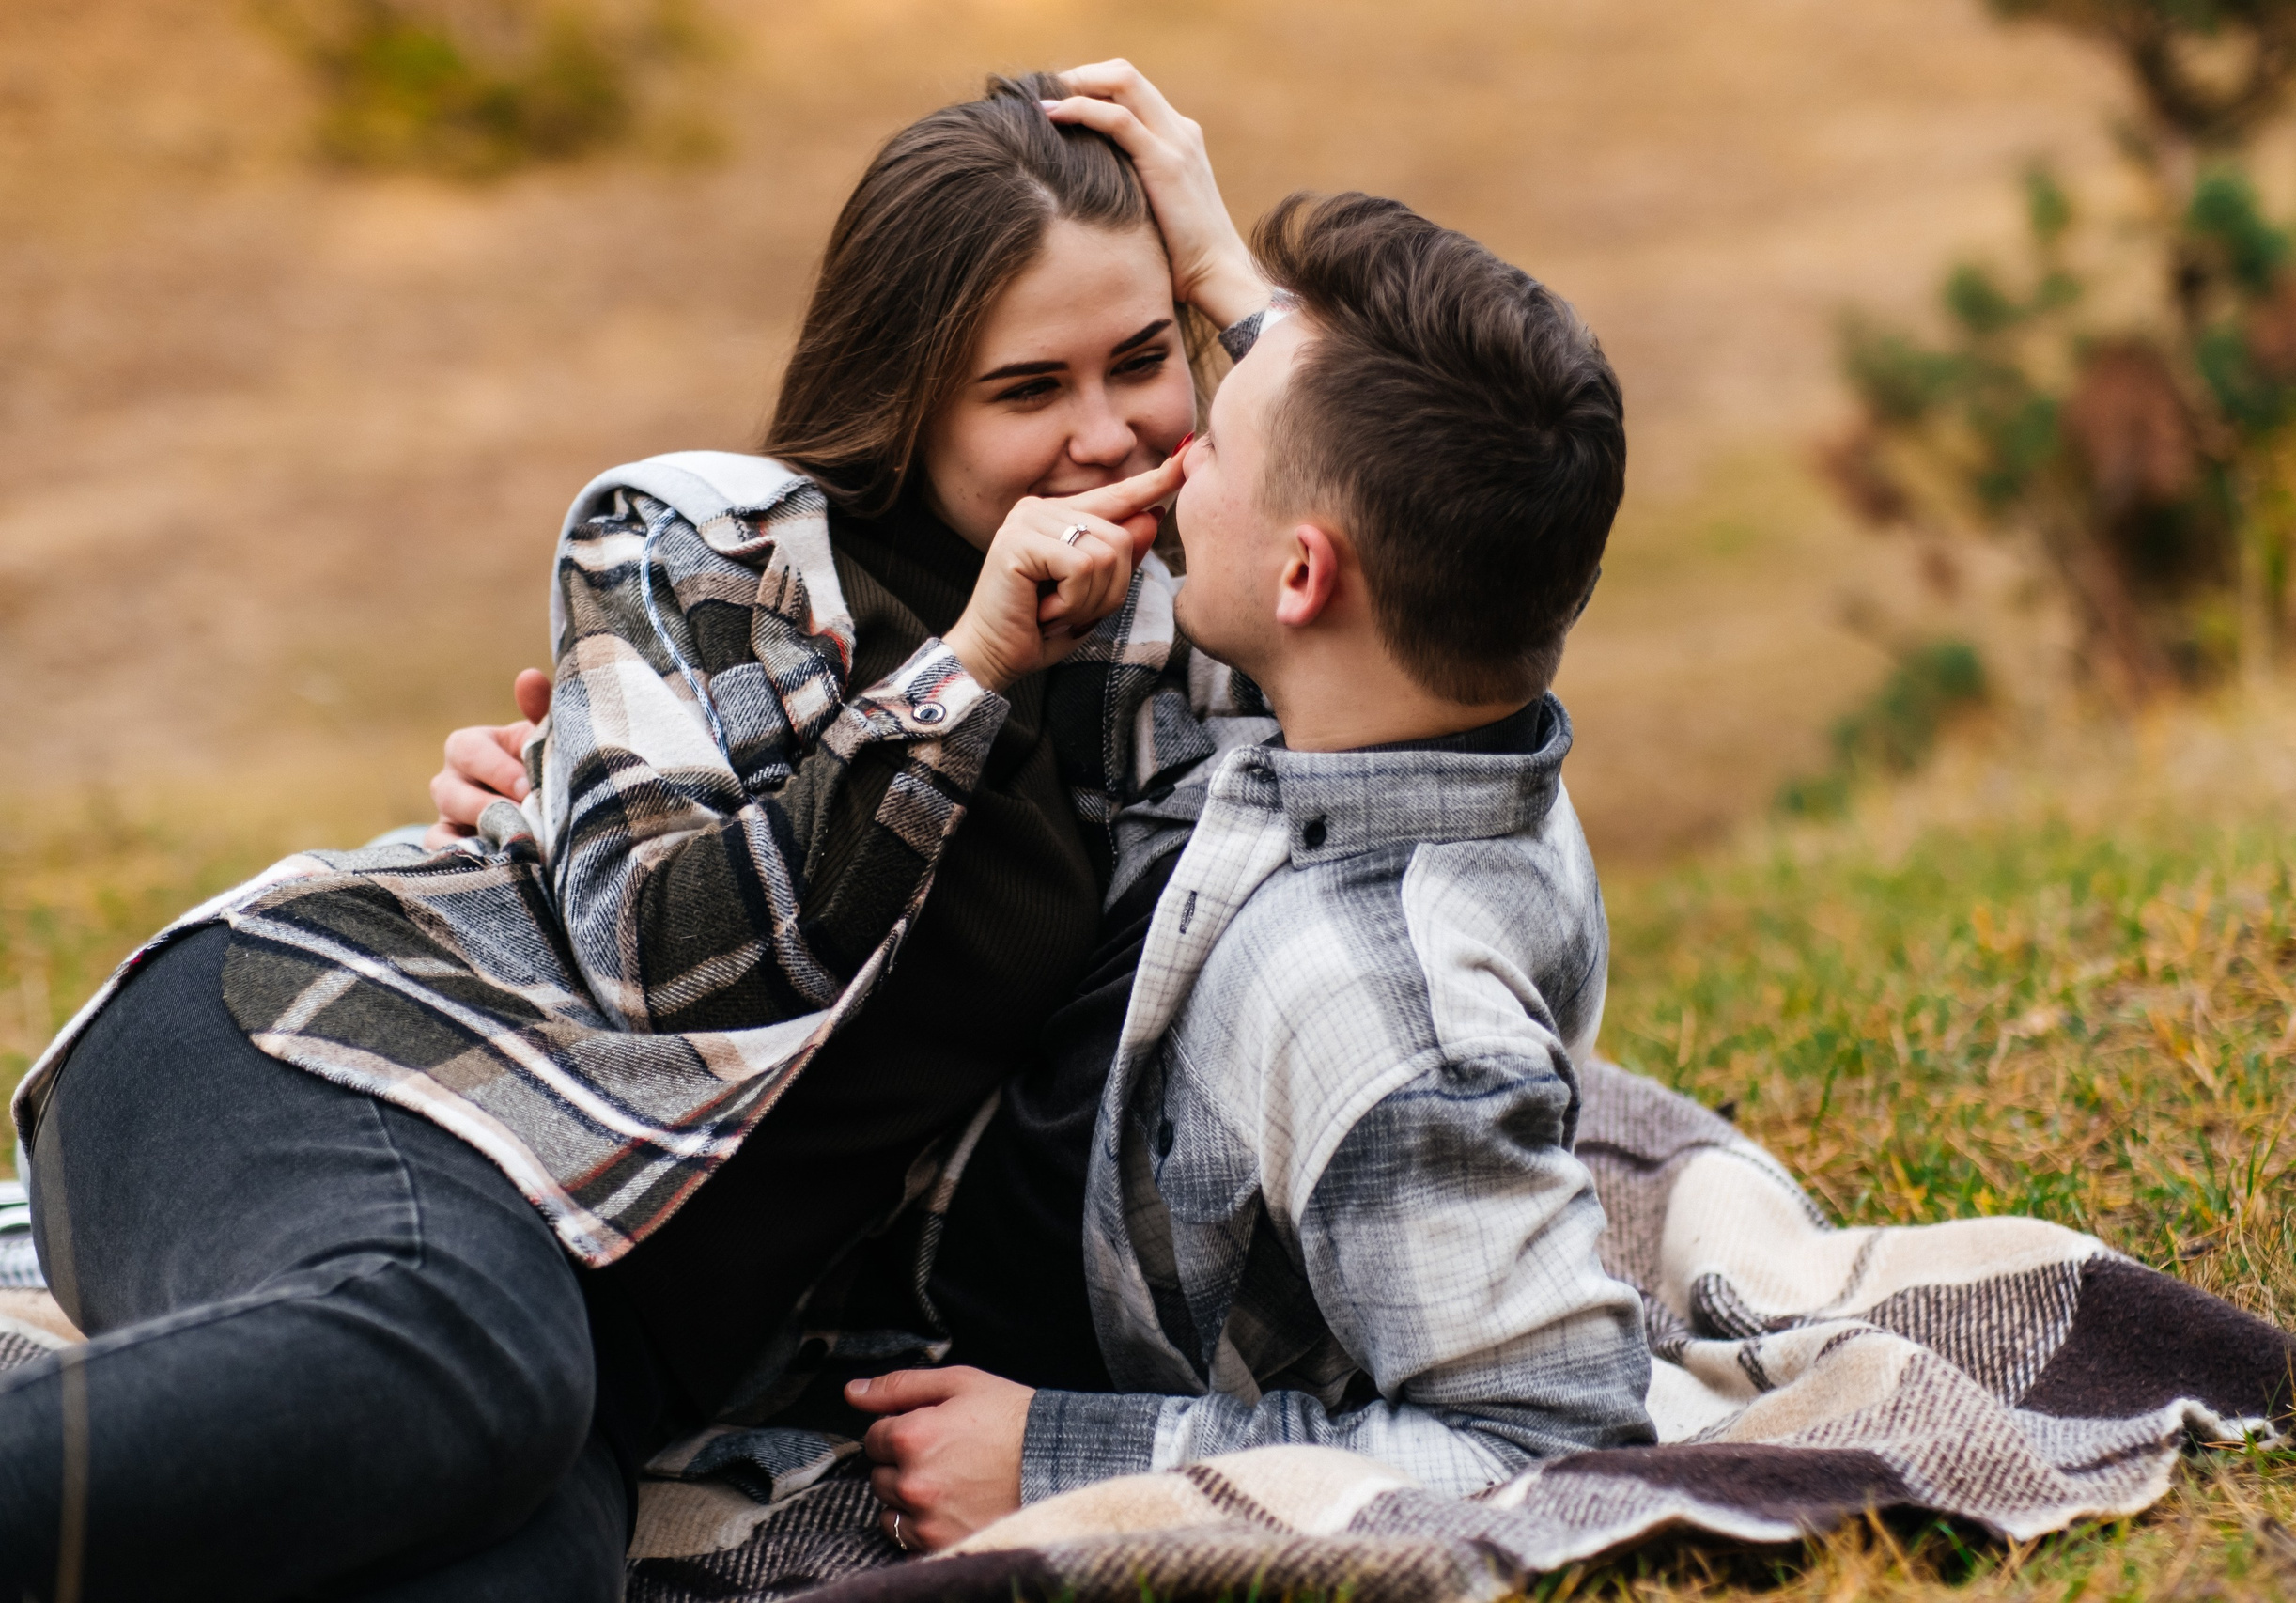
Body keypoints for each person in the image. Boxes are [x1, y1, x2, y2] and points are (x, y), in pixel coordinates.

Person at [1, 66, 1272, 1601]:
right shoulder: (707, 544)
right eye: (1025, 390)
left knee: (525, 1564)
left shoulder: (1176, 651)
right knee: (464, 1352)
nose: (1100, 434)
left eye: (1145, 359)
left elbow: (1413, 588)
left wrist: (1240, 291)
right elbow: (666, 963)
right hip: (333, 1070)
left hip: (604, 1336)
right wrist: (964, 674)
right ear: (909, 399)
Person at [838, 191, 1654, 1552]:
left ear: (1303, 574)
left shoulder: (1394, 1020)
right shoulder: (1404, 718)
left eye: (1212, 443)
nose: (1166, 461)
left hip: (886, 1304)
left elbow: (1554, 1444)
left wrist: (1065, 1463)